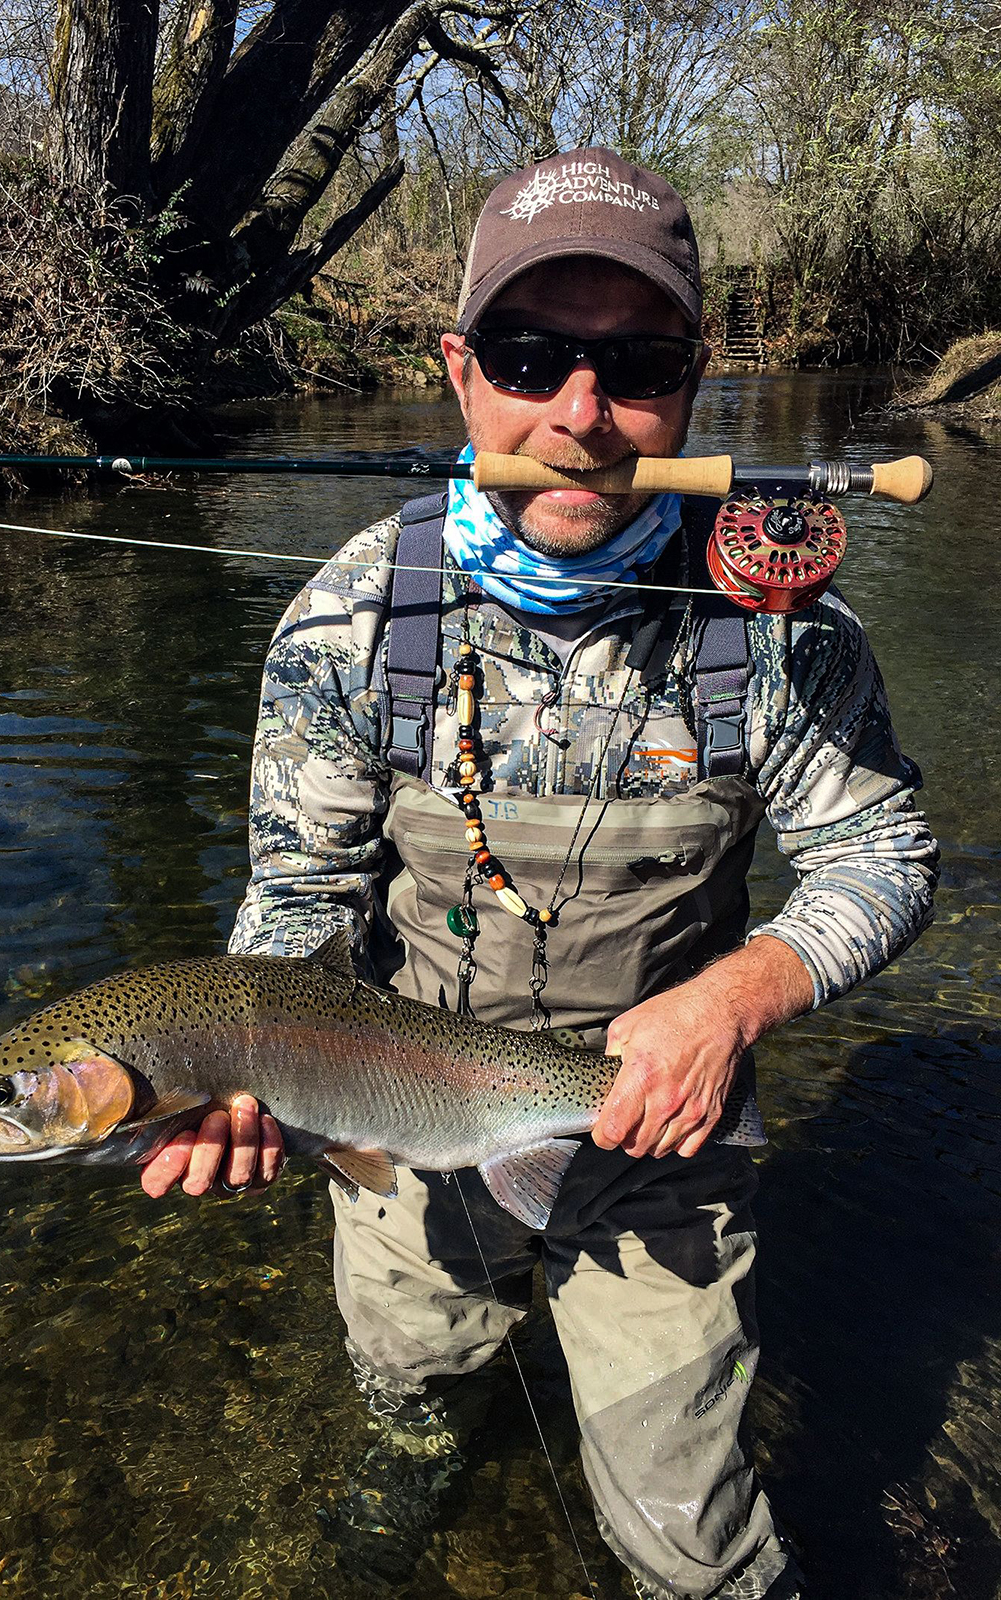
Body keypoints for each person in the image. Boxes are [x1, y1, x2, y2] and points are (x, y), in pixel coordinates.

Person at [140, 147, 938, 1598]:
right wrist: (239, 1072)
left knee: (697, 1542)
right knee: (414, 1386)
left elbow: (878, 850)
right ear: (458, 370)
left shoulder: (780, 629)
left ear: (698, 379)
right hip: (392, 1116)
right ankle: (420, 1463)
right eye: (530, 356)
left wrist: (745, 994)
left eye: (635, 364)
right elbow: (298, 903)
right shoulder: (344, 628)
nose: (581, 415)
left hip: (665, 1143)